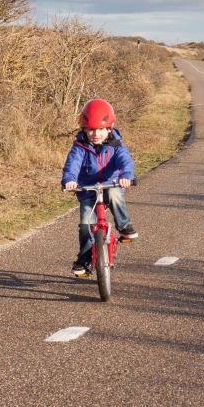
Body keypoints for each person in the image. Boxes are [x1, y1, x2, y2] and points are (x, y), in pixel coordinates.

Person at [61, 98, 138, 277]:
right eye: (91, 129)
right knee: (86, 225)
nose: (96, 133)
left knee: (115, 195)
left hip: (111, 184)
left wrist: (126, 176)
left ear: (109, 128)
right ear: (84, 129)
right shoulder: (79, 147)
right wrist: (69, 180)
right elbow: (72, 165)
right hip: (88, 189)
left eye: (101, 129)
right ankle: (84, 259)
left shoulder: (116, 145)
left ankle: (124, 226)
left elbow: (125, 161)